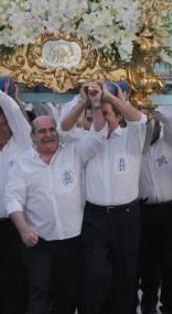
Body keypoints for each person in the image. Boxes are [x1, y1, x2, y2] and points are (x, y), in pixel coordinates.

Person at [5, 83, 109, 314]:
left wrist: (94, 103)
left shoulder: (73, 153)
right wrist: (23, 229)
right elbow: (13, 199)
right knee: (39, 293)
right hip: (39, 242)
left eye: (52, 129)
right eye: (42, 131)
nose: (49, 134)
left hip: (72, 240)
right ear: (33, 137)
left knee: (68, 294)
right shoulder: (23, 163)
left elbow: (98, 136)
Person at [61, 82, 146, 314]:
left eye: (107, 114)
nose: (102, 119)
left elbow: (140, 120)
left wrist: (110, 96)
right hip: (95, 217)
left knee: (125, 274)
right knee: (94, 274)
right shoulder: (86, 140)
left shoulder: (130, 138)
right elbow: (64, 128)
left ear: (117, 115)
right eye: (96, 115)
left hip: (126, 216)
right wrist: (86, 102)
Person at [0, 85, 33, 314]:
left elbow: (16, 115)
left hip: (16, 226)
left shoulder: (23, 145)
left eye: (4, 124)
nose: (1, 129)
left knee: (15, 280)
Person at [138, 106, 172, 314]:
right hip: (145, 212)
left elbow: (171, 123)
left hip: (171, 211)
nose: (150, 127)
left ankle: (168, 305)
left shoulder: (170, 144)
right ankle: (148, 305)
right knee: (148, 262)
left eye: (152, 123)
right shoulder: (135, 148)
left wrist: (151, 109)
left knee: (169, 261)